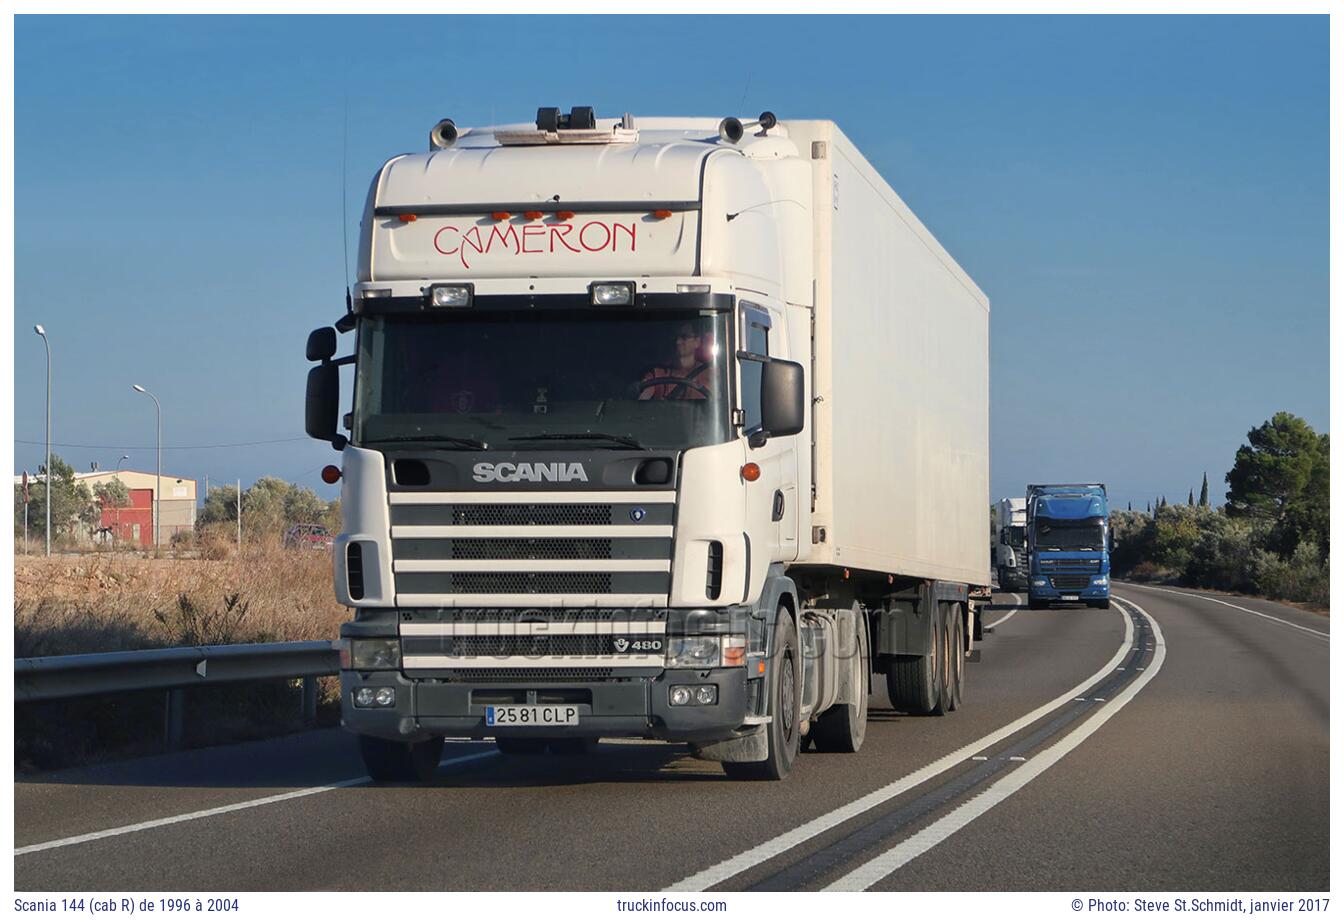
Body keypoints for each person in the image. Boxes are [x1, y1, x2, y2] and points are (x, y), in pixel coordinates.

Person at [639, 322, 714, 400]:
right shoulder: (658, 373)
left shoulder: (709, 374)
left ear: (697, 342)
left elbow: (719, 402)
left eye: (684, 337)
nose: (677, 342)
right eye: (675, 337)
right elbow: (641, 402)